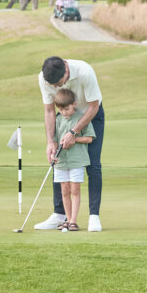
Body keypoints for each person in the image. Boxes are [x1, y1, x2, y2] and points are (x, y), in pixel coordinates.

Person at [34, 56, 105, 232]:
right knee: (57, 158)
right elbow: (50, 110)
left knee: (93, 165)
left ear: (66, 70)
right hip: (63, 117)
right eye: (54, 86)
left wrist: (74, 132)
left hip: (90, 115)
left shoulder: (84, 72)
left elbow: (93, 106)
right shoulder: (44, 78)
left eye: (59, 84)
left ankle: (93, 216)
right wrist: (50, 141)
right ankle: (59, 215)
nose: (57, 88)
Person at [51, 88, 95, 231]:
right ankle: (67, 219)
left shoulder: (82, 119)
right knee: (64, 191)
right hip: (62, 161)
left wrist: (74, 139)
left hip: (77, 160)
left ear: (74, 104)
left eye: (67, 109)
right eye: (61, 109)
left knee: (75, 189)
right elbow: (54, 141)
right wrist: (53, 155)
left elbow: (89, 138)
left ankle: (73, 221)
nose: (64, 112)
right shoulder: (57, 120)